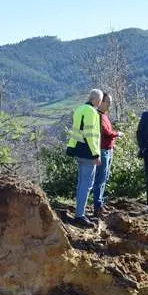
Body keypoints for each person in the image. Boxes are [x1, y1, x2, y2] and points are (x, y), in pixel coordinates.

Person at [66, 89, 103, 227]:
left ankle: (79, 212)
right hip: (88, 153)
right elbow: (90, 135)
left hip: (78, 150)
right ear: (96, 100)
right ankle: (79, 215)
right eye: (99, 101)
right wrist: (96, 154)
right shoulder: (92, 112)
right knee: (86, 184)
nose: (99, 104)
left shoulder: (79, 109)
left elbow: (78, 131)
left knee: (81, 183)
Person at [90, 92, 122, 217]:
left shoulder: (104, 115)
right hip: (102, 150)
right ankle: (97, 206)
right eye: (108, 102)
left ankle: (100, 203)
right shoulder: (98, 116)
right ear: (101, 102)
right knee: (100, 179)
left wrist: (113, 144)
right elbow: (106, 132)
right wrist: (117, 134)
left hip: (108, 149)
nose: (110, 105)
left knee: (105, 178)